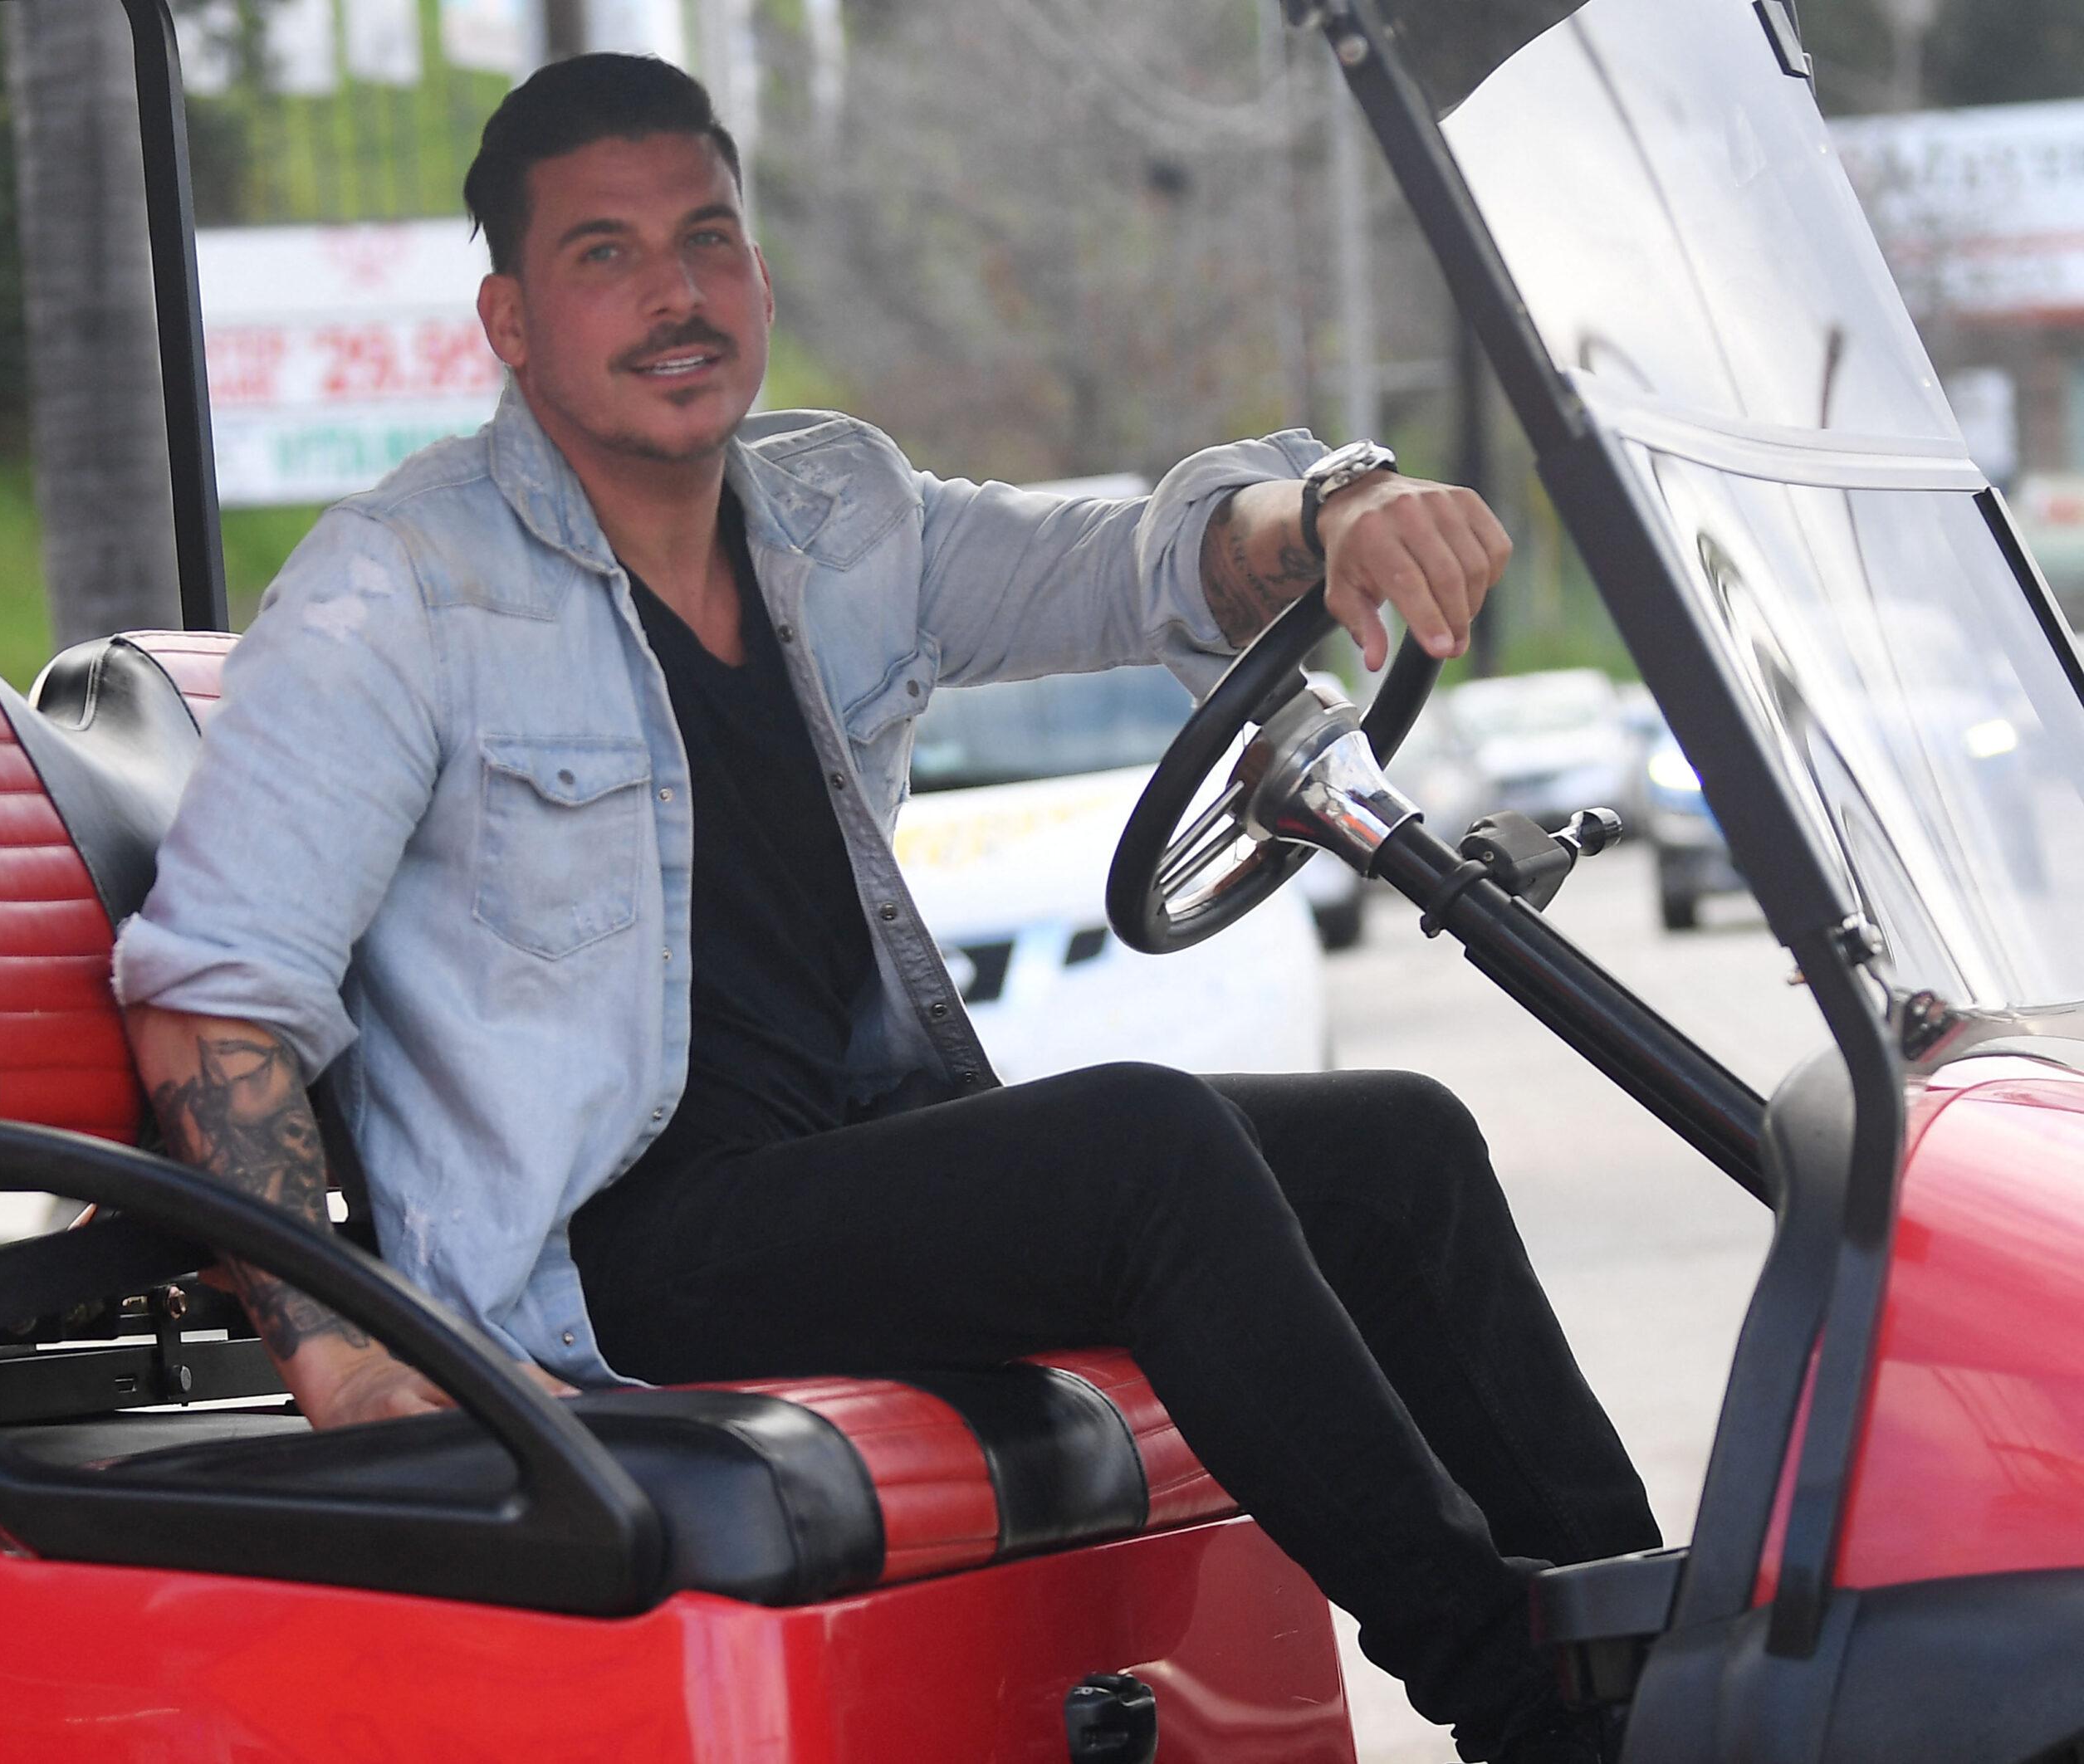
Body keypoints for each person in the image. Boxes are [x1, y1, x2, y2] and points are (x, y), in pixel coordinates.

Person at [113, 54, 1657, 1764]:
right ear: (509, 318)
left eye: (706, 238)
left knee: (1400, 1147)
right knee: (1143, 1152)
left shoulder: (832, 515)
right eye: (603, 255)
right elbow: (220, 992)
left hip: (842, 1168)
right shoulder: (394, 591)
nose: (675, 294)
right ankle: (1506, 1693)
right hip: (616, 1258)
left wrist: (1321, 511)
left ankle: (1639, 1689)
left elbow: (1126, 559)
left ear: (756, 274)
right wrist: (347, 1358)